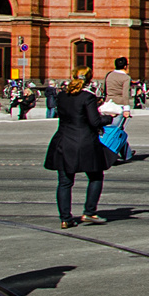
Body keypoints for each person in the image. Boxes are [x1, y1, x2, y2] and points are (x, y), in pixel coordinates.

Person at [45, 71, 113, 228]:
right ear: (89, 80)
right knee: (95, 176)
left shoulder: (62, 96)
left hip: (63, 141)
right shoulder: (87, 97)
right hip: (84, 142)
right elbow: (95, 121)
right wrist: (109, 117)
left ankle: (65, 218)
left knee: (64, 182)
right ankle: (89, 212)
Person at [100, 57, 132, 126]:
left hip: (108, 103)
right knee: (115, 129)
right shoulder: (126, 78)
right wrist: (126, 109)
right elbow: (125, 94)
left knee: (105, 128)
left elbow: (103, 88)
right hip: (119, 105)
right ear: (125, 66)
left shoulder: (109, 75)